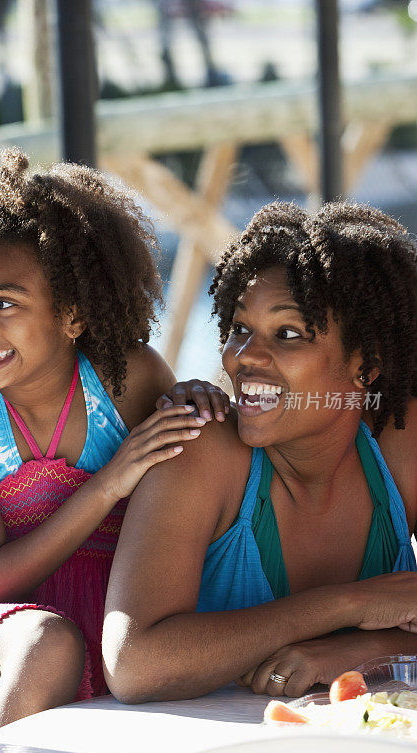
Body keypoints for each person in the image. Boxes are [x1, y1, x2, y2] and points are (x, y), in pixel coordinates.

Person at [0, 148, 228, 753]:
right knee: (44, 643)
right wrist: (108, 482)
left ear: (72, 314)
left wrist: (197, 402)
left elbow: (189, 489)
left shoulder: (129, 379)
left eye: (3, 303)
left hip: (109, 618)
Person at [103, 201, 417, 706]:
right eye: (239, 329)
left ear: (367, 366)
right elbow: (134, 664)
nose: (244, 356)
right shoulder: (200, 449)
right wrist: (347, 605)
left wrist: (367, 648)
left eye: (287, 334)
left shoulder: (400, 439)